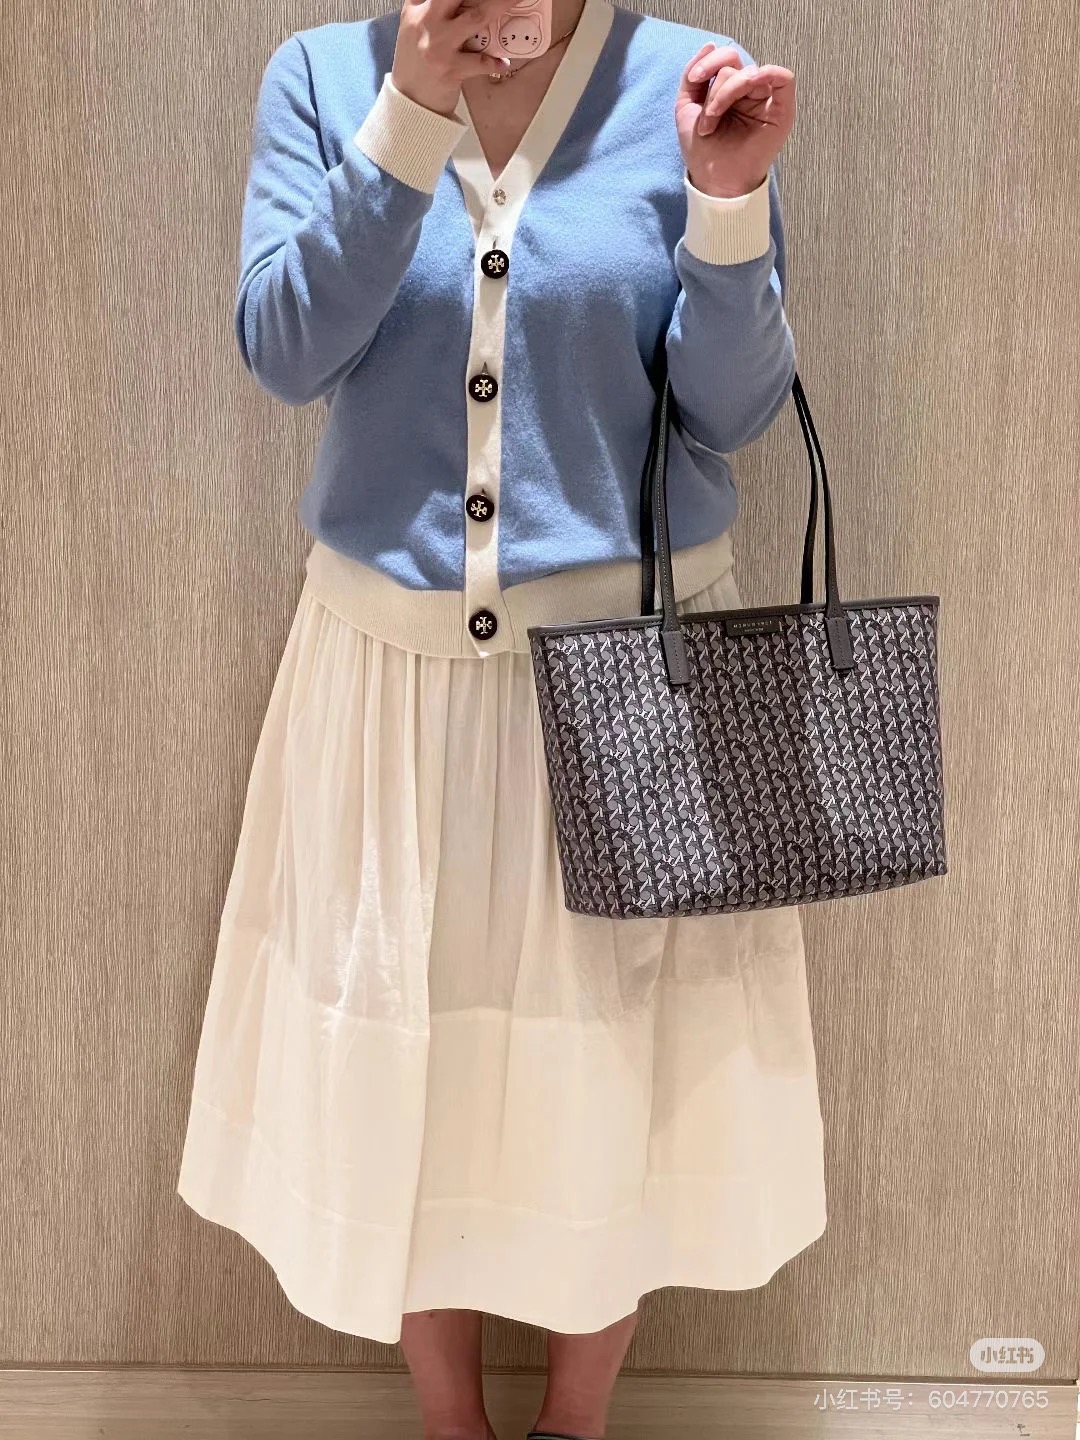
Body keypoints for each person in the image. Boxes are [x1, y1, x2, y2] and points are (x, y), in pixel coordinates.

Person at [177, 0, 826, 1435]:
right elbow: (284, 352)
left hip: (632, 690)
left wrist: (727, 204)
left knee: (613, 1062)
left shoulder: (683, 80)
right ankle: (451, 1421)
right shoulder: (323, 78)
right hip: (389, 686)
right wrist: (408, 119)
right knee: (410, 1070)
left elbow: (730, 415)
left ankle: (576, 1422)